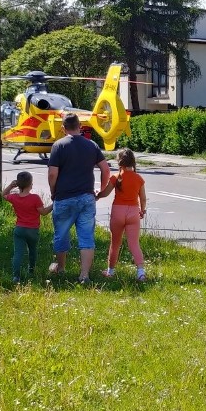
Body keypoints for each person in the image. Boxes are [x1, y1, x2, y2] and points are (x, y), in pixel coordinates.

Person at [47, 113, 111, 283]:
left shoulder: (58, 146)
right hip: (87, 198)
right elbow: (105, 169)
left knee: (61, 234)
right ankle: (84, 275)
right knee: (86, 237)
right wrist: (101, 190)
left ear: (63, 128)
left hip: (64, 197)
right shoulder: (92, 145)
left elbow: (53, 173)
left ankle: (60, 269)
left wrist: (53, 191)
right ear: (80, 126)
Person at [96, 149, 148, 281]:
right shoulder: (139, 178)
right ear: (133, 161)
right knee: (134, 244)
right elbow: (143, 198)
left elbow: (105, 193)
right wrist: (142, 210)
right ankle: (141, 272)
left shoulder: (116, 177)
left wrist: (97, 195)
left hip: (118, 211)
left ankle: (110, 271)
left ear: (119, 162)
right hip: (133, 212)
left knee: (115, 243)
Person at [2, 171, 52, 283]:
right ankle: (31, 271)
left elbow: (3, 194)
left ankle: (16, 276)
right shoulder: (35, 198)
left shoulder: (14, 197)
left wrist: (10, 185)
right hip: (33, 230)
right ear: (31, 184)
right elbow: (43, 212)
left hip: (19, 229)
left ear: (18, 185)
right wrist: (54, 204)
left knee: (18, 253)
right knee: (32, 251)